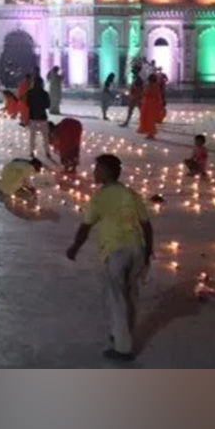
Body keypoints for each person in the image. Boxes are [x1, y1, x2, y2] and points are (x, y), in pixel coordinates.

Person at [66, 153, 154, 362]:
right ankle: (121, 332)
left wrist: (75, 247)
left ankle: (123, 348)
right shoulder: (130, 194)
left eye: (97, 169)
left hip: (116, 252)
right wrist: (148, 252)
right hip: (136, 249)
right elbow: (146, 225)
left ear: (106, 172)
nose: (94, 172)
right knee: (130, 294)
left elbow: (85, 227)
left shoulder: (99, 197)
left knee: (116, 299)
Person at [26, 75, 51, 159]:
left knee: (32, 136)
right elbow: (47, 105)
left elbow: (27, 104)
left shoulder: (30, 92)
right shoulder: (45, 93)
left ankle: (32, 151)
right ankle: (47, 151)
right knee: (45, 136)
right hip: (42, 116)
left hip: (33, 116)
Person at [136, 71, 163, 139]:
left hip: (149, 104)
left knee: (149, 119)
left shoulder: (151, 86)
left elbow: (146, 93)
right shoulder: (154, 86)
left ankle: (151, 133)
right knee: (149, 118)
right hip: (150, 103)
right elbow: (158, 96)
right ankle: (149, 132)